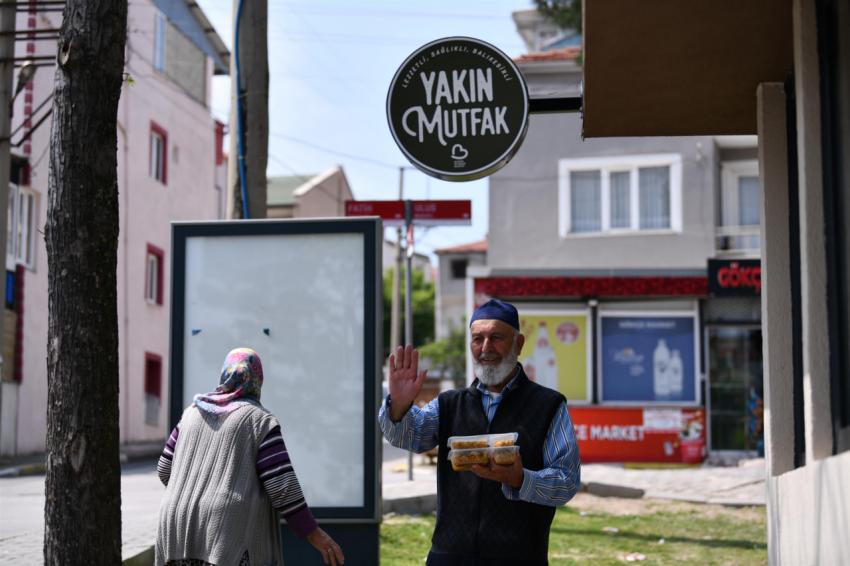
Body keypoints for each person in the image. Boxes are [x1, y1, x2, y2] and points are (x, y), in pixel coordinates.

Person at [379, 299, 581, 566]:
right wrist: (399, 407)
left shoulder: (548, 405)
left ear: (518, 344)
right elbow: (408, 438)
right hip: (449, 556)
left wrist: (521, 479)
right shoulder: (450, 403)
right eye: (478, 339)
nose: (486, 348)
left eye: (496, 337)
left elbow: (566, 483)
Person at [155, 347, 345, 566]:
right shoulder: (258, 421)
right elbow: (281, 485)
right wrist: (314, 534)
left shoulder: (190, 414)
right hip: (224, 532)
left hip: (174, 528)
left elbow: (164, 469)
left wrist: (193, 494)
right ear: (257, 380)